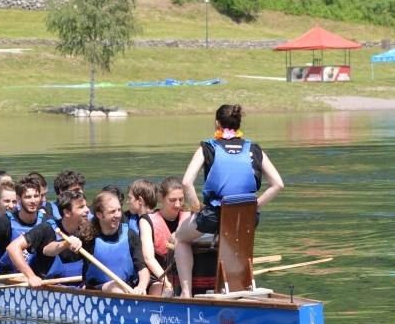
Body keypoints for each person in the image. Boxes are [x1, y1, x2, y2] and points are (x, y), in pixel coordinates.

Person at [174, 104, 284, 298]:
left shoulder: (208, 147)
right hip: (247, 218)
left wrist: (196, 207)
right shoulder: (254, 149)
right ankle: (241, 287)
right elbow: (278, 184)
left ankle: (186, 293)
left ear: (217, 123)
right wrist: (254, 206)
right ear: (238, 124)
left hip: (214, 216)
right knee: (234, 238)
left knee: (180, 238)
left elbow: (186, 182)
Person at [6, 190, 90, 287]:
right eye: (81, 207)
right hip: (48, 287)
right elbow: (13, 248)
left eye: (86, 206)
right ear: (67, 212)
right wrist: (31, 276)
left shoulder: (87, 231)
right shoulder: (47, 228)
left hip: (79, 286)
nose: (87, 209)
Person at [0, 176, 44, 282]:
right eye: (28, 197)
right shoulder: (3, 222)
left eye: (36, 196)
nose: (33, 201)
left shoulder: (47, 221)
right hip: (8, 278)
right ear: (18, 199)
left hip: (36, 278)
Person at [82, 191, 150, 294]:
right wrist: (72, 243)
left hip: (127, 287)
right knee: (115, 287)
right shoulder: (88, 237)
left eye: (119, 210)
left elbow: (142, 269)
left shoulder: (130, 235)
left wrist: (141, 286)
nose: (118, 215)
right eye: (112, 211)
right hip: (96, 289)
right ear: (99, 214)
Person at [139, 177, 190, 296]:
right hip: (158, 278)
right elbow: (148, 258)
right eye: (172, 200)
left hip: (185, 277)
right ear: (161, 198)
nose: (178, 204)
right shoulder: (146, 221)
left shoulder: (189, 218)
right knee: (166, 291)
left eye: (181, 199)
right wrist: (166, 282)